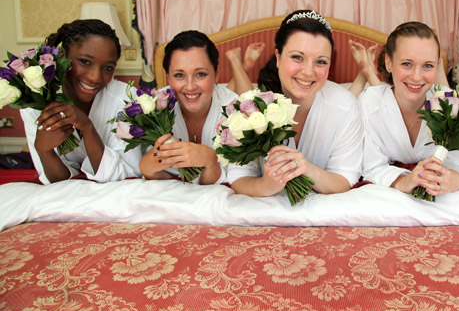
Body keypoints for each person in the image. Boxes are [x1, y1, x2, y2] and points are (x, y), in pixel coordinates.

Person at [224, 10, 364, 196]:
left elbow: (345, 179)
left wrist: (307, 169)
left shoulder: (345, 106)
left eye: (321, 62)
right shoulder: (251, 108)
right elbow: (238, 178)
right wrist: (267, 185)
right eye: (297, 57)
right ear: (278, 58)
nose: (308, 72)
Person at [21, 19, 141, 184]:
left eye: (108, 68)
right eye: (85, 62)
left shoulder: (127, 100)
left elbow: (127, 176)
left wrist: (87, 127)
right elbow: (56, 182)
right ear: (62, 55)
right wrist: (44, 151)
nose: (95, 77)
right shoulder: (35, 101)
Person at [360, 22, 459, 197]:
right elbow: (371, 166)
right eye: (406, 64)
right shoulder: (369, 103)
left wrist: (454, 180)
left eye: (428, 65)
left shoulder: (451, 105)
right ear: (389, 63)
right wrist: (405, 181)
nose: (417, 77)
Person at [139, 30, 237, 184]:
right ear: (168, 78)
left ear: (216, 74)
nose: (190, 86)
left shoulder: (235, 110)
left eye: (201, 74)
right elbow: (152, 171)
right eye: (179, 75)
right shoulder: (154, 107)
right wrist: (148, 166)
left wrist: (210, 160)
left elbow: (236, 181)